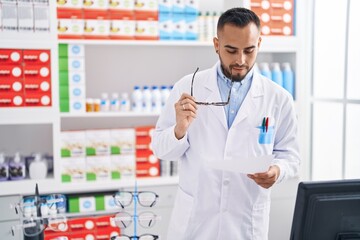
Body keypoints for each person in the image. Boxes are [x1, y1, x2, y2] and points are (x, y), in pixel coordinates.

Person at [151, 7, 300, 240]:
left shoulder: (278, 98)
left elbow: (291, 156)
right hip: (196, 222)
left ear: (259, 43)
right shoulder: (187, 87)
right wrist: (179, 130)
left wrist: (277, 171)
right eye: (231, 50)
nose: (240, 60)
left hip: (245, 223)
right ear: (216, 44)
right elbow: (161, 149)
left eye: (249, 50)